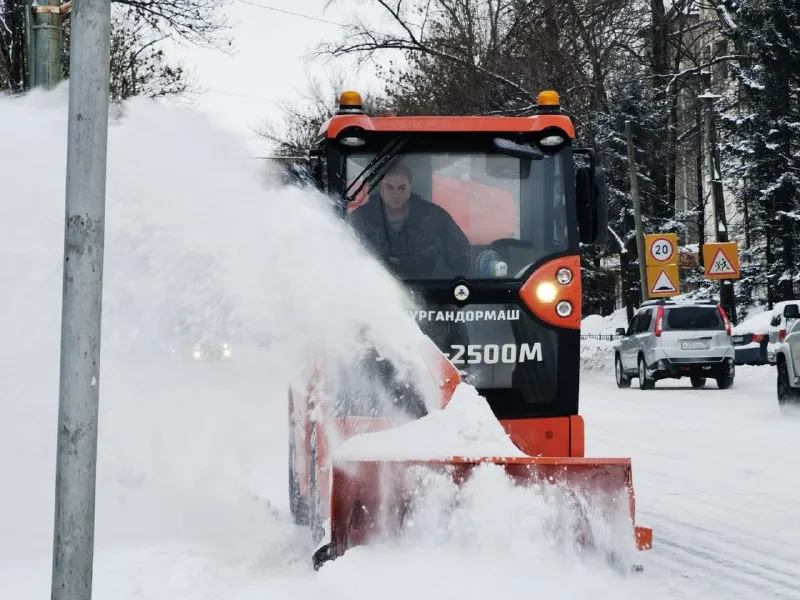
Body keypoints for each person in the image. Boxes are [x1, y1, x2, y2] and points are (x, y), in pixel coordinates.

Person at [347, 163, 472, 280]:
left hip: (428, 290)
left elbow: (463, 260)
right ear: (380, 187)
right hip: (372, 290)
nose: (396, 194)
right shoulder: (360, 219)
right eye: (389, 187)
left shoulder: (435, 217)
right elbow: (345, 261)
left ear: (410, 186)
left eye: (402, 188)